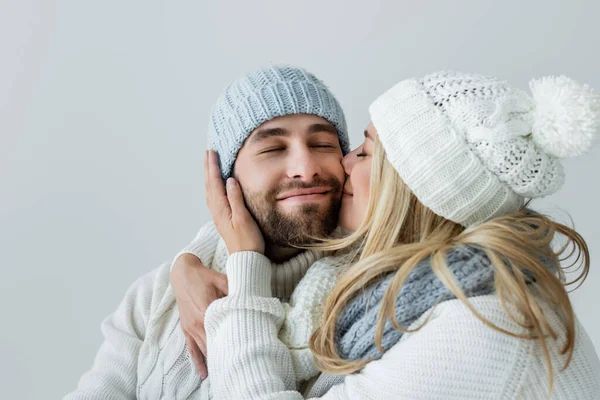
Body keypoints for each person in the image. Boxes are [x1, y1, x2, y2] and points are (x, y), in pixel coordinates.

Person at [203, 71, 600, 399]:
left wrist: (245, 273)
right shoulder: (427, 282)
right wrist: (188, 265)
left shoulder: (479, 324)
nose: (343, 161)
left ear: (413, 190)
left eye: (366, 152)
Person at [64, 65, 352, 399]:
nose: (306, 168)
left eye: (322, 144)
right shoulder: (158, 295)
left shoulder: (369, 305)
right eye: (273, 149)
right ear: (224, 178)